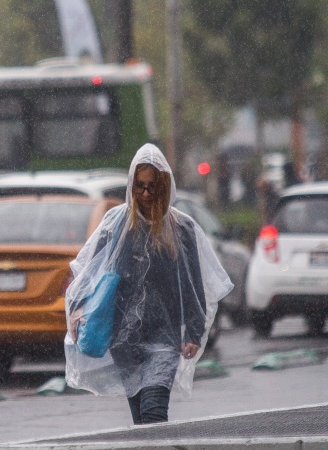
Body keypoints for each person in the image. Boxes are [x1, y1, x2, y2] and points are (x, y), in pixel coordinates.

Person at [64, 144, 233, 424]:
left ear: (164, 187)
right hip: (125, 340)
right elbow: (92, 270)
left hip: (164, 339)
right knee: (141, 419)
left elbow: (192, 284)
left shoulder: (182, 228)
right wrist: (79, 306)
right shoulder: (116, 224)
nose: (145, 194)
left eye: (152, 187)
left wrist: (194, 330)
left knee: (154, 412)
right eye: (139, 186)